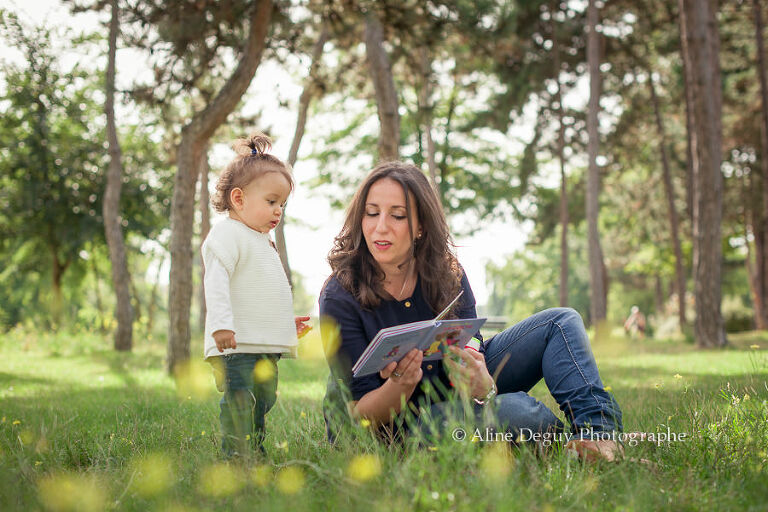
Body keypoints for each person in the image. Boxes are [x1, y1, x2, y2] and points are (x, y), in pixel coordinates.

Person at [320, 161, 623, 461]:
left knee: (561, 322)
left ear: (421, 227)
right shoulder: (339, 294)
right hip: (396, 426)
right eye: (371, 213)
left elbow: (471, 338)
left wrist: (482, 381)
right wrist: (401, 383)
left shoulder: (446, 271)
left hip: (451, 390)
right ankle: (577, 447)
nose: (380, 226)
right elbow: (358, 415)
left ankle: (600, 436)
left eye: (397, 216)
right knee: (517, 412)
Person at [202, 132, 311, 457]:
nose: (278, 211)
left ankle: (254, 449)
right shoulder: (227, 234)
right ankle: (235, 454)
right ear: (238, 199)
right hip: (235, 343)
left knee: (265, 398)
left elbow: (260, 294)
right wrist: (221, 325)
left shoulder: (262, 240)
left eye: (282, 204)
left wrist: (282, 325)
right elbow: (217, 283)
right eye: (271, 201)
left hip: (263, 341)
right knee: (241, 399)